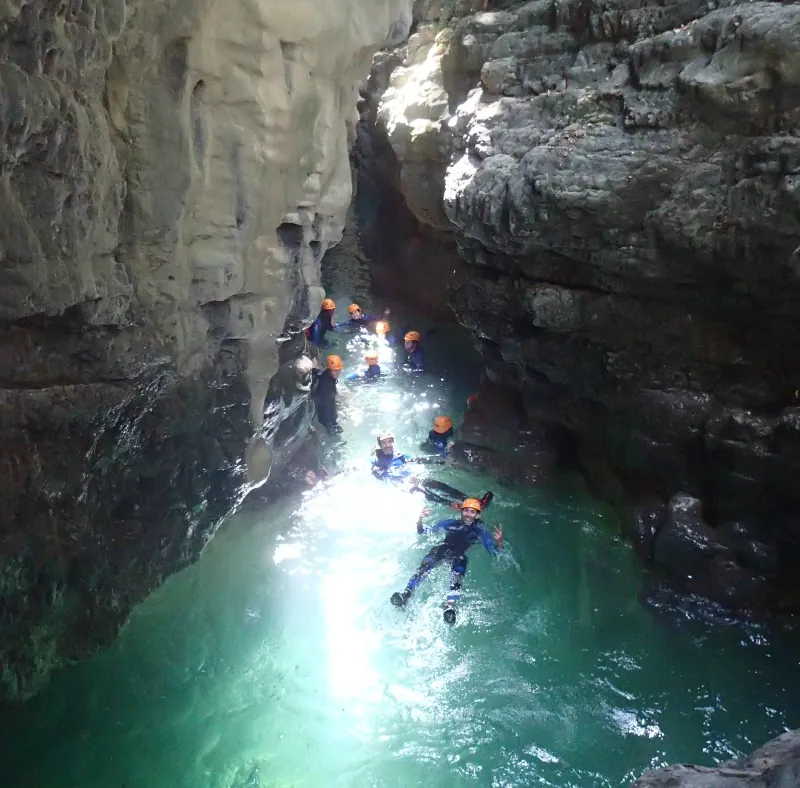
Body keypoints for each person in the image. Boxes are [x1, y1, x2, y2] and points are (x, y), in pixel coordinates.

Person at [390, 498, 503, 623]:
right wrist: (420, 520)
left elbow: (494, 552)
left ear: (477, 515)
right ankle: (406, 594)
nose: (468, 514)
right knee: (426, 565)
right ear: (461, 512)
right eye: (466, 511)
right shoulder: (450, 523)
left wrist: (499, 542)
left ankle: (450, 606)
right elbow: (424, 532)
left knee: (459, 567)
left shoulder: (480, 531)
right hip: (443, 549)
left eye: (472, 512)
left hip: (458, 554)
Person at [372, 431, 493, 509]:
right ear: (380, 445)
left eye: (389, 442)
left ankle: (471, 500)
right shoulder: (376, 459)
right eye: (384, 443)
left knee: (439, 485)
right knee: (421, 490)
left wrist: (442, 462)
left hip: (410, 478)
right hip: (400, 485)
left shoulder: (399, 455)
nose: (388, 445)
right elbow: (378, 474)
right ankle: (450, 504)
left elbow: (417, 460)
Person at [311, 354, 343, 434]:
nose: (337, 373)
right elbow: (326, 405)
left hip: (324, 405)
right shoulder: (327, 385)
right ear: (329, 370)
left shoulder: (326, 375)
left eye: (339, 370)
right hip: (324, 411)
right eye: (335, 371)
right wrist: (330, 424)